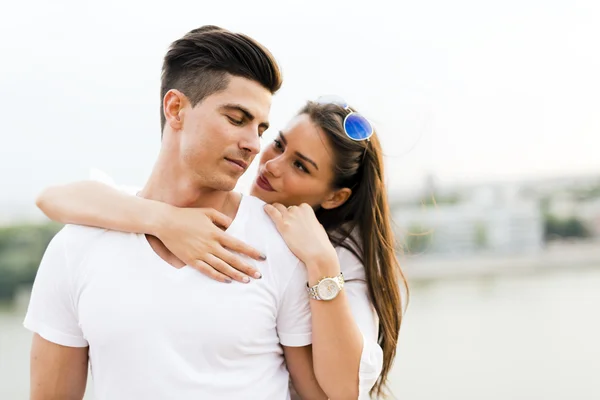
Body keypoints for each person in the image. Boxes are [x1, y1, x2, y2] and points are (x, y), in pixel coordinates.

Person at [24, 25, 330, 400]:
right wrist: (164, 220)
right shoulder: (76, 246)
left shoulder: (280, 242)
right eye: (236, 119)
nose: (253, 144)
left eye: (260, 127)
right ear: (176, 109)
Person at [36, 93, 409, 397]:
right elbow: (54, 199)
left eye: (300, 166)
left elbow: (341, 392)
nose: (272, 164)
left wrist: (322, 264)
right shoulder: (159, 221)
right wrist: (165, 221)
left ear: (334, 197)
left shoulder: (341, 257)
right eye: (278, 143)